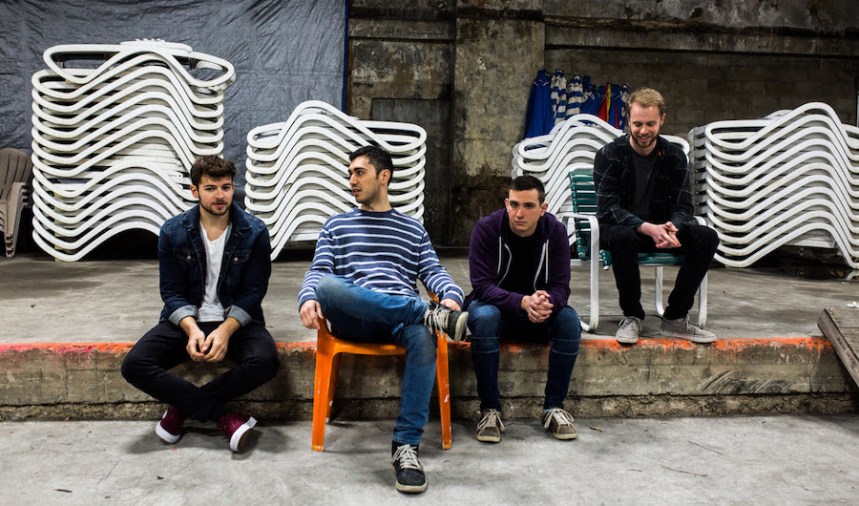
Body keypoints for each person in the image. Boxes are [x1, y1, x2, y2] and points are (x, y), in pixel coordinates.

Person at [298, 145, 467, 494]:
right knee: (328, 287)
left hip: (397, 324)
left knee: (423, 335)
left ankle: (406, 446)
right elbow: (319, 272)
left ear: (384, 176)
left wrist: (451, 297)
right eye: (350, 173)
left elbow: (434, 272)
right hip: (354, 318)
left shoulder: (412, 230)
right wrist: (308, 297)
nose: (352, 180)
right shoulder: (337, 225)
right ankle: (425, 313)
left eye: (359, 172)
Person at [121, 155, 279, 453]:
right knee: (134, 365)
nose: (220, 195)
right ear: (194, 191)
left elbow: (253, 291)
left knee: (266, 361)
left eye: (226, 187)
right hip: (186, 320)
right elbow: (171, 291)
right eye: (210, 188)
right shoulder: (173, 231)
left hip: (235, 320)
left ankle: (181, 410)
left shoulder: (254, 231)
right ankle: (224, 417)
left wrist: (225, 331)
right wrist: (191, 329)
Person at [593, 88, 719, 345]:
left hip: (662, 230)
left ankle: (675, 317)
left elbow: (684, 206)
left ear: (662, 119)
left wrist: (674, 227)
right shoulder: (609, 154)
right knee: (623, 237)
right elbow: (608, 209)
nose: (643, 130)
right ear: (628, 120)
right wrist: (647, 227)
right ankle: (632, 316)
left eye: (650, 124)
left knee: (706, 236)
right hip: (621, 230)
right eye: (637, 124)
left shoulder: (674, 156)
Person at [465, 175, 582, 443]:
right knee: (484, 316)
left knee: (569, 320)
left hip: (537, 315)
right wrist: (522, 302)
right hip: (497, 312)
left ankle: (553, 408)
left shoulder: (555, 231)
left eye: (528, 206)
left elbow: (561, 286)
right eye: (514, 204)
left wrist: (546, 302)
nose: (519, 213)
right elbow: (481, 286)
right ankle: (490, 410)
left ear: (543, 208)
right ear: (506, 203)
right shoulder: (486, 229)